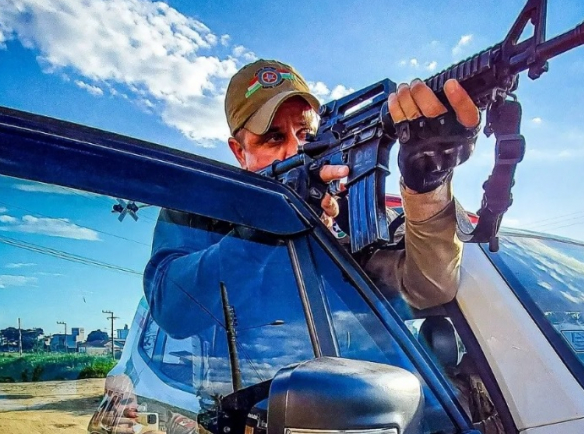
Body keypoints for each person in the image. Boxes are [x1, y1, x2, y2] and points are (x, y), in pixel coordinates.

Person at [143, 59, 481, 432]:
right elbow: (171, 308)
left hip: (373, 418)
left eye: (305, 134)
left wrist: (428, 184)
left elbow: (430, 286)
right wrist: (265, 228)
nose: (295, 150)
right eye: (274, 138)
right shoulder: (201, 211)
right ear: (239, 152)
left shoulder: (351, 208)